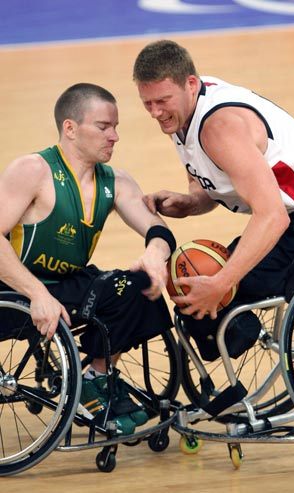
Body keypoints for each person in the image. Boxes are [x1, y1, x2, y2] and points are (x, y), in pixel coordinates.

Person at [132, 39, 294, 326]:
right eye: (147, 103)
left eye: (162, 101)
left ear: (190, 83)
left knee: (203, 296)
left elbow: (273, 217)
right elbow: (215, 184)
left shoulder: (219, 128)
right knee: (191, 285)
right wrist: (191, 202)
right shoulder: (181, 113)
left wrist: (221, 284)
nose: (155, 112)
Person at [0, 82, 176, 435]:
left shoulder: (116, 181)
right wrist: (36, 294)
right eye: (103, 127)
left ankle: (95, 376)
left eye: (116, 127)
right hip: (13, 288)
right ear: (70, 128)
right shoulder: (33, 170)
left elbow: (157, 229)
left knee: (138, 284)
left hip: (65, 286)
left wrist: (156, 254)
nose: (114, 136)